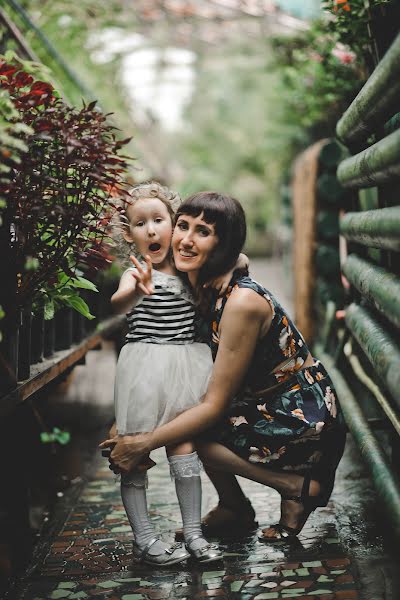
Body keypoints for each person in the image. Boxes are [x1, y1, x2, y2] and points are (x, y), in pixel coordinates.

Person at [101, 190, 346, 544]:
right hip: (264, 400)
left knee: (190, 426)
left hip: (299, 414)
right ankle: (235, 508)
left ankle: (294, 488)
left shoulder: (241, 301)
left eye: (203, 231)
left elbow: (214, 407)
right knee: (185, 414)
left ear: (222, 244)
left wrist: (142, 444)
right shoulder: (194, 274)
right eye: (182, 226)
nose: (185, 239)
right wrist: (122, 422)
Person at [106, 182, 247, 566]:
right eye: (139, 224)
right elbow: (118, 305)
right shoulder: (135, 272)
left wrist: (232, 267)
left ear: (173, 224)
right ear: (128, 233)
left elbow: (240, 258)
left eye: (158, 220)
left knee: (183, 449)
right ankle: (145, 539)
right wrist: (138, 291)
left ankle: (195, 535)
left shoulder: (190, 269)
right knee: (133, 454)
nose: (151, 230)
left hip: (186, 364)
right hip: (145, 369)